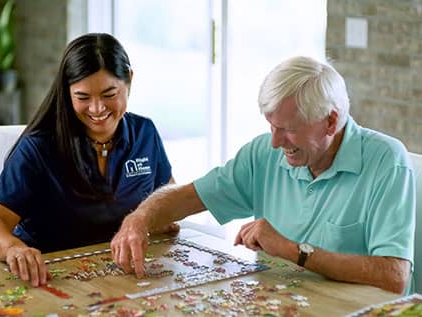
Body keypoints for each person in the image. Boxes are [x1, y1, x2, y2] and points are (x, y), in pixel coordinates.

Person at [111, 56, 415, 294]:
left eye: (288, 130)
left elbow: (394, 277)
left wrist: (294, 251)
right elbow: (192, 195)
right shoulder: (264, 152)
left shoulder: (387, 161)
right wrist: (141, 218)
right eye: (272, 126)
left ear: (330, 121)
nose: (275, 142)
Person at [0, 33, 178, 287]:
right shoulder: (38, 148)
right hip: (49, 278)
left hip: (118, 274)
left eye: (109, 94)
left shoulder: (145, 133)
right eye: (83, 97)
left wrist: (159, 219)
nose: (96, 109)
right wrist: (13, 248)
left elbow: (168, 197)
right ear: (67, 92)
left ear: (129, 81)